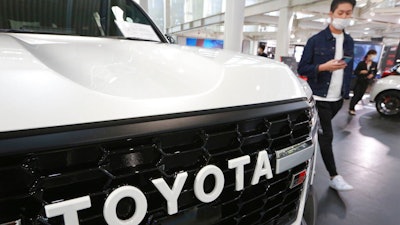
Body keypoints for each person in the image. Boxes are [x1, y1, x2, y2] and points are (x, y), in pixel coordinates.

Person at [298, 0, 356, 191]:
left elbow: (348, 68)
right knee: (326, 136)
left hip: (337, 99)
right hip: (320, 98)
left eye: (349, 13)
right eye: (341, 12)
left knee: (314, 134)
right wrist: (323, 67)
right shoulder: (316, 40)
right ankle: (334, 175)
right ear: (331, 13)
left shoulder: (349, 41)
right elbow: (302, 67)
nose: (345, 17)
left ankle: (306, 163)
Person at [349, 50, 378, 115]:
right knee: (356, 95)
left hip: (366, 82)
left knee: (360, 96)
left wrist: (372, 76)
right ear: (368, 55)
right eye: (372, 55)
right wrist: (361, 72)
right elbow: (356, 72)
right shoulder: (361, 63)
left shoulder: (374, 64)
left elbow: (375, 72)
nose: (373, 57)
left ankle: (353, 105)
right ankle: (351, 108)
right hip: (359, 81)